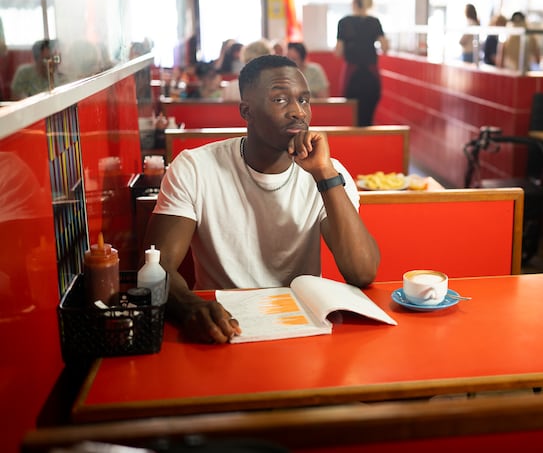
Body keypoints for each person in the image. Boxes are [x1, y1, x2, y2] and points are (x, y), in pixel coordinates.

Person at [143, 55, 380, 343]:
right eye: (280, 100)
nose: (298, 112)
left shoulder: (330, 172)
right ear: (247, 111)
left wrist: (324, 174)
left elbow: (362, 271)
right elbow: (157, 266)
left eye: (304, 100)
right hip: (224, 324)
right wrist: (192, 306)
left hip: (302, 327)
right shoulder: (195, 167)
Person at [335, 0, 389, 126]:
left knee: (353, 115)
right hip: (371, 74)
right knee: (368, 117)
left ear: (353, 2)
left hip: (352, 73)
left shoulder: (344, 22)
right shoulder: (375, 22)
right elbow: (385, 48)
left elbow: (338, 52)